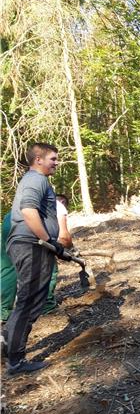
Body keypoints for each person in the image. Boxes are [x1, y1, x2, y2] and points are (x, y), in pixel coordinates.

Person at [3, 143, 65, 374]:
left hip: (31, 244)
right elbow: (28, 211)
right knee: (30, 301)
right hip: (33, 245)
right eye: (53, 158)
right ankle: (15, 360)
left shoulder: (35, 180)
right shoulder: (36, 179)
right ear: (38, 159)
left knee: (29, 299)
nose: (56, 162)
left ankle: (8, 343)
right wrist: (48, 240)